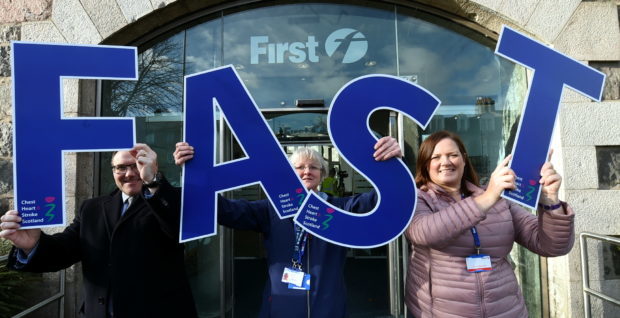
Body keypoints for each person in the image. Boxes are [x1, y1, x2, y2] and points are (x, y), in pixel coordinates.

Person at [173, 137, 402, 318]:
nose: (306, 171)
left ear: (322, 174)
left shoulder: (340, 208)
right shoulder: (272, 209)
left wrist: (394, 163)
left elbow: (384, 199)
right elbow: (225, 210)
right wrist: (194, 173)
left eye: (314, 167)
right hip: (281, 307)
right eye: (299, 167)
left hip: (328, 307)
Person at [0, 144, 197, 318]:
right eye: (121, 167)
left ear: (151, 166)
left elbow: (176, 226)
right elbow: (65, 249)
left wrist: (153, 181)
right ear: (113, 171)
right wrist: (33, 244)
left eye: (136, 165)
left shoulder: (169, 200)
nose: (129, 173)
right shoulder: (92, 208)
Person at [404, 130, 575, 317]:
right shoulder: (416, 199)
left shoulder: (498, 199)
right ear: (425, 164)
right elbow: (425, 233)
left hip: (507, 311)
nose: (445, 162)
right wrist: (488, 197)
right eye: (436, 157)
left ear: (463, 159)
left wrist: (550, 200)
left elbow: (551, 246)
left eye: (453, 155)